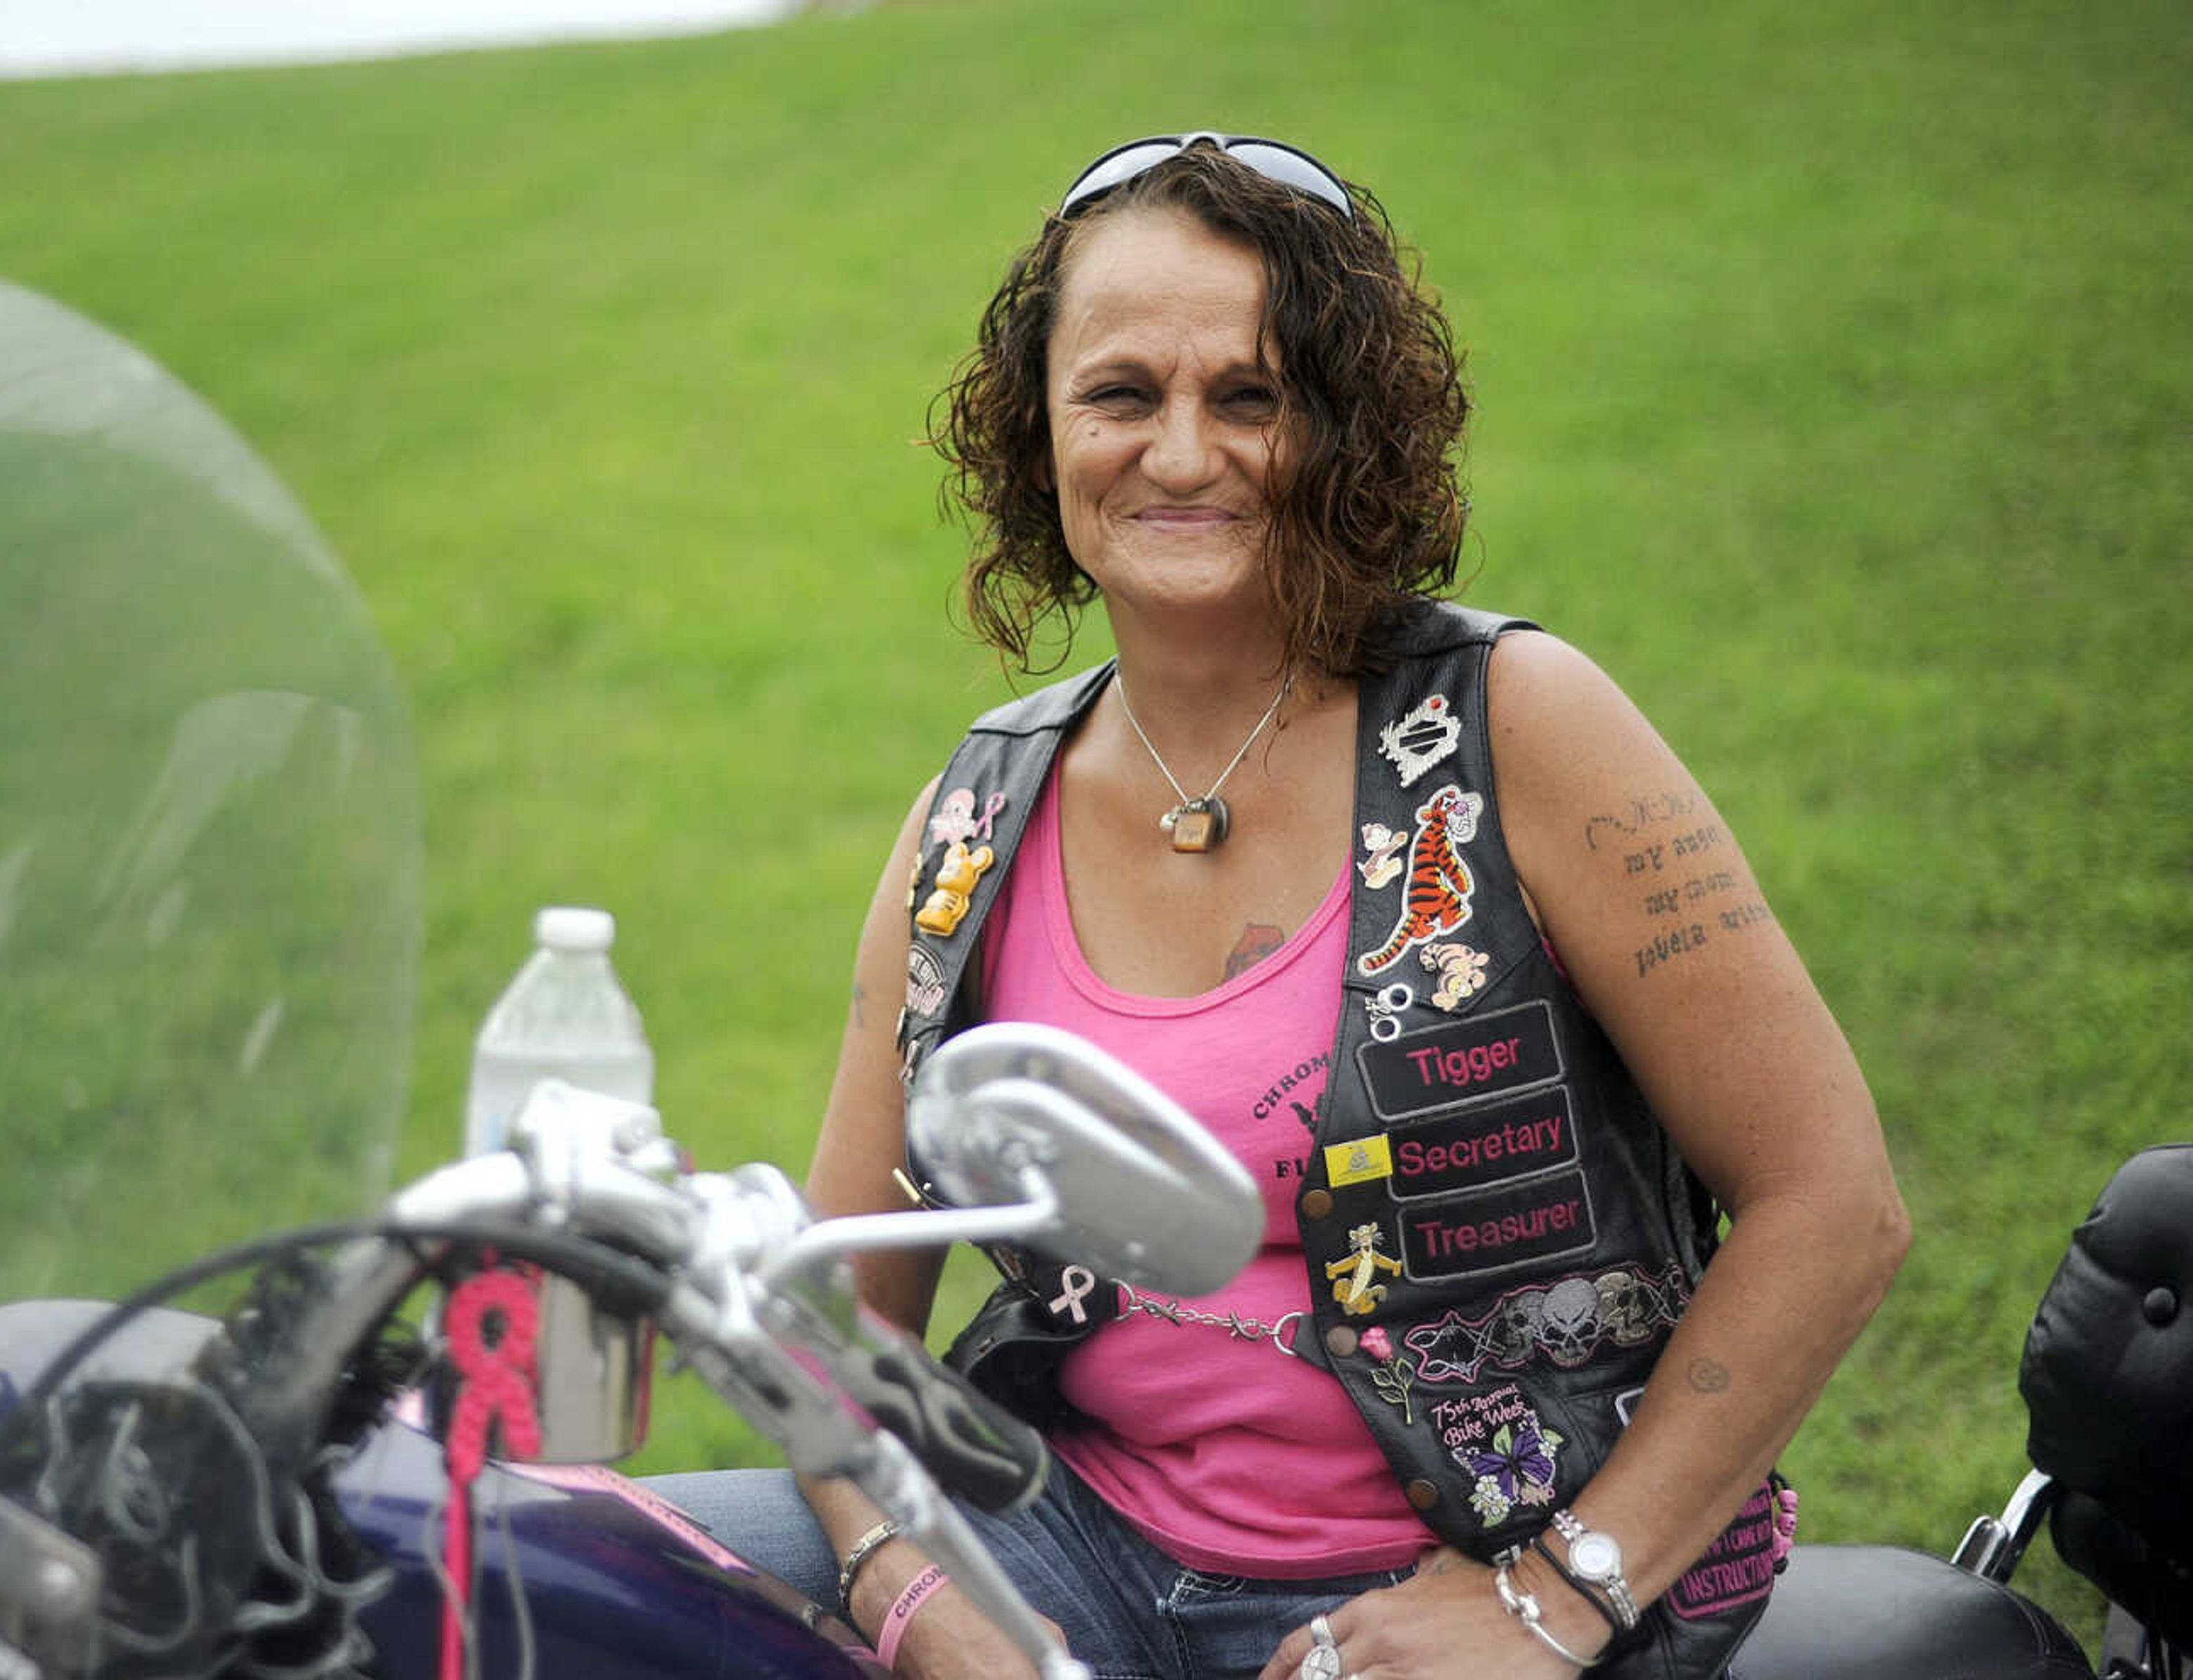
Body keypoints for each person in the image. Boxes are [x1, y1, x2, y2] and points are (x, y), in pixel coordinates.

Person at [655, 132, 1910, 1680]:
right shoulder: (972, 819)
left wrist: (1559, 1598)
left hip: (1472, 1571)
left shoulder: (1517, 724)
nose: (1181, 454)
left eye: (1249, 397)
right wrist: (906, 1588)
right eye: (1121, 394)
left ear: (1347, 431)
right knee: (540, 1576)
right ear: (1036, 433)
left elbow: (1832, 1202)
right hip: (1070, 1539)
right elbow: (846, 1324)